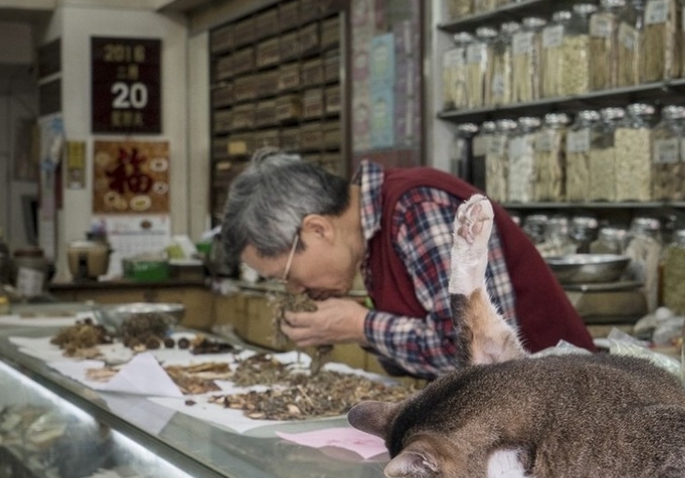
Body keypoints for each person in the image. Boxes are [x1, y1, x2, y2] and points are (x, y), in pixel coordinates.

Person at [220, 149, 596, 379]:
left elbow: (487, 355)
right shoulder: (369, 241)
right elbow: (422, 354)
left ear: (318, 229)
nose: (294, 289)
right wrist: (358, 329)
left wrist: (361, 326)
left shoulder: (417, 208)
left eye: (286, 275)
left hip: (564, 411)